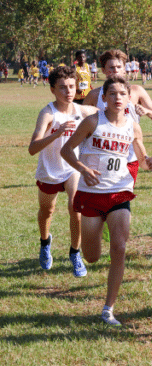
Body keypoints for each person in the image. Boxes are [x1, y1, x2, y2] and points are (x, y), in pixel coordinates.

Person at [61, 75, 152, 325]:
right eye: (112, 94)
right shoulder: (93, 121)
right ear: (103, 98)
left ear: (129, 98)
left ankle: (108, 308)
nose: (118, 98)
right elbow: (66, 150)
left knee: (119, 247)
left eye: (122, 94)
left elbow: (142, 160)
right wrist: (83, 169)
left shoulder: (133, 127)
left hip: (119, 191)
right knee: (92, 256)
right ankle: (97, 233)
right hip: (91, 194)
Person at [29, 66, 98, 277]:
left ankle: (75, 253)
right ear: (52, 90)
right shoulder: (48, 113)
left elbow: (106, 113)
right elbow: (32, 148)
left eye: (71, 86)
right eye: (62, 87)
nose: (68, 91)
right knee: (47, 211)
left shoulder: (82, 111)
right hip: (49, 170)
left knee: (76, 207)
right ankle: (45, 242)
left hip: (72, 168)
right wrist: (56, 133)